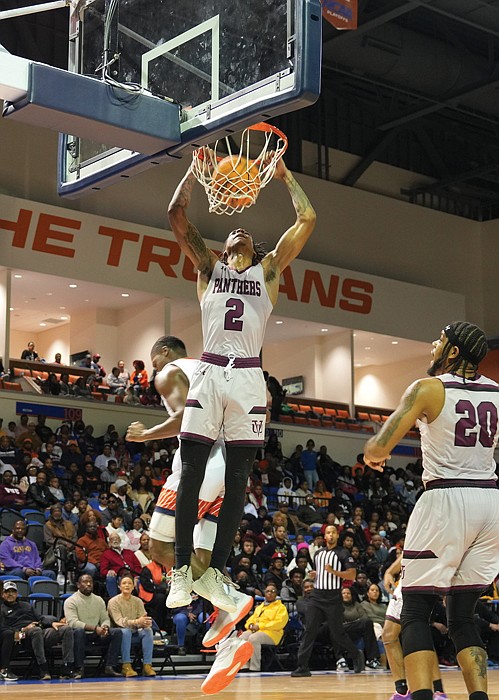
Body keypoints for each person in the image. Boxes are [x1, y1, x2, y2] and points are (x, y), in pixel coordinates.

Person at [166, 153, 316, 612]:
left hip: (250, 375)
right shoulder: (209, 268)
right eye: (234, 231)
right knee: (190, 473)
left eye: (247, 232)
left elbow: (307, 218)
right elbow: (175, 214)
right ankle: (180, 570)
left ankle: (214, 574)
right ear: (225, 242)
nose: (241, 231)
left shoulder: (268, 271)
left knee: (237, 482)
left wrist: (286, 176)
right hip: (210, 371)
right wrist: (195, 171)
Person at [364, 321, 499, 700]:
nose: (433, 344)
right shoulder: (497, 393)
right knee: (461, 616)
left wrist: (375, 455)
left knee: (416, 611)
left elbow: (377, 447)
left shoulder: (428, 388)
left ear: (453, 351)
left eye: (440, 339)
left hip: (446, 499)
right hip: (490, 502)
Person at [126, 336, 253, 688]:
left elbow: (188, 417)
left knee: (161, 548)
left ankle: (231, 602)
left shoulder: (169, 371)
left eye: (153, 361)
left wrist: (146, 434)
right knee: (207, 562)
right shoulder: (209, 368)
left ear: (165, 352)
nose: (154, 372)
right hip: (232, 468)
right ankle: (230, 641)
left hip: (202, 465)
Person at [291, 524, 365, 677]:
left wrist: (334, 572)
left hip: (333, 597)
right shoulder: (318, 554)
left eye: (333, 533)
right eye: (328, 533)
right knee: (309, 631)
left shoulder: (343, 553)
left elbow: (351, 575)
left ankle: (356, 654)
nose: (330, 535)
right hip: (317, 596)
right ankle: (302, 666)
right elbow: (323, 573)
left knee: (338, 634)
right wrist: (315, 574)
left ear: (337, 536)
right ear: (324, 536)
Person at [383, 549, 448, 700]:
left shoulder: (435, 532)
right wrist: (389, 572)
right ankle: (403, 690)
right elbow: (404, 556)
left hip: (419, 582)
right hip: (404, 584)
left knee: (417, 635)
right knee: (389, 635)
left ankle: (437, 691)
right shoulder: (415, 534)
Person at [1, 580, 76, 679]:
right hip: (21, 636)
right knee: (36, 631)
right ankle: (43, 668)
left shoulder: (26, 605)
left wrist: (52, 623)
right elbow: (4, 629)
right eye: (7, 592)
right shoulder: (2, 608)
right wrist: (24, 628)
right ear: (2, 594)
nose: (10, 594)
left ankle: (67, 667)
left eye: (13, 591)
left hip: (38, 631)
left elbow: (40, 618)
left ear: (17, 593)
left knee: (66, 629)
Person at [64, 573, 122, 678]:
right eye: (85, 582)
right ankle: (79, 668)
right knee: (78, 632)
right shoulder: (71, 601)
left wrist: (105, 627)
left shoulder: (98, 600)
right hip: (81, 634)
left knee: (117, 632)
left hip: (97, 633)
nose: (89, 584)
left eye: (90, 582)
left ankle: (110, 666)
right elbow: (73, 622)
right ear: (78, 585)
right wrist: (95, 628)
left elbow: (105, 618)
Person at [107, 572, 156, 677]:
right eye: (124, 583)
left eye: (129, 583)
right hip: (119, 633)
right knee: (126, 631)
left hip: (135, 631)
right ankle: (126, 665)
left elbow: (142, 617)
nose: (127, 585)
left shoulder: (138, 601)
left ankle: (147, 665)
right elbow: (119, 622)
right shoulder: (113, 602)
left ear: (133, 587)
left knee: (148, 631)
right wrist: (137, 622)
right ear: (119, 586)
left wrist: (146, 623)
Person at [239, 584, 289, 672]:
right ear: (264, 593)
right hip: (257, 631)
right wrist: (250, 626)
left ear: (276, 594)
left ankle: (254, 667)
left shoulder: (281, 607)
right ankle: (244, 665)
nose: (270, 593)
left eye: (272, 591)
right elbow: (250, 620)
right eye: (267, 591)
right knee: (242, 637)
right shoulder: (259, 607)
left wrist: (259, 626)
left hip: (273, 634)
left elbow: (279, 623)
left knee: (253, 638)